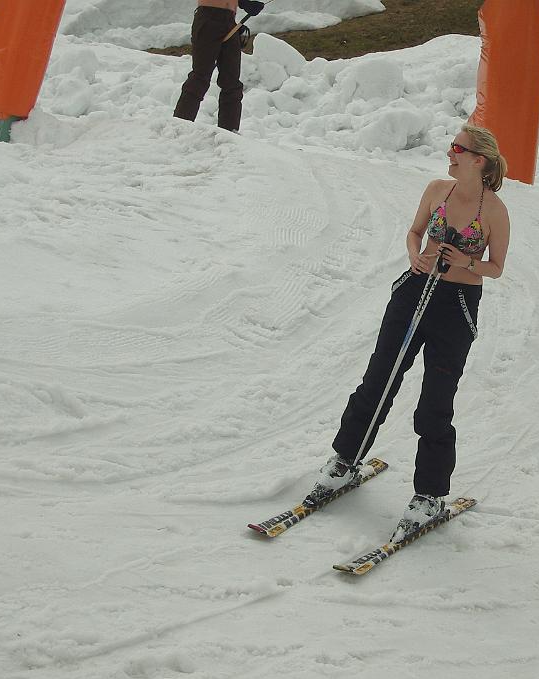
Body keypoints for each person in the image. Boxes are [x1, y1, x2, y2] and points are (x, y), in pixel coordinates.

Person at [314, 124, 511, 542]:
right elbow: (415, 232)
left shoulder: (494, 210)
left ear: (478, 160)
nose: (449, 153)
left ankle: (429, 495)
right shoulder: (437, 189)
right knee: (379, 379)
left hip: (457, 305)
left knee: (436, 401)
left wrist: (465, 261)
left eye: (457, 148)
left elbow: (495, 267)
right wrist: (414, 256)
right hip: (414, 290)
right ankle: (345, 458)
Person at [173, 0, 265, 132]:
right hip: (208, 18)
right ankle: (179, 128)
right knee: (200, 76)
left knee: (232, 83)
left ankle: (229, 134)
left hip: (229, 21)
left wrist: (243, 3)